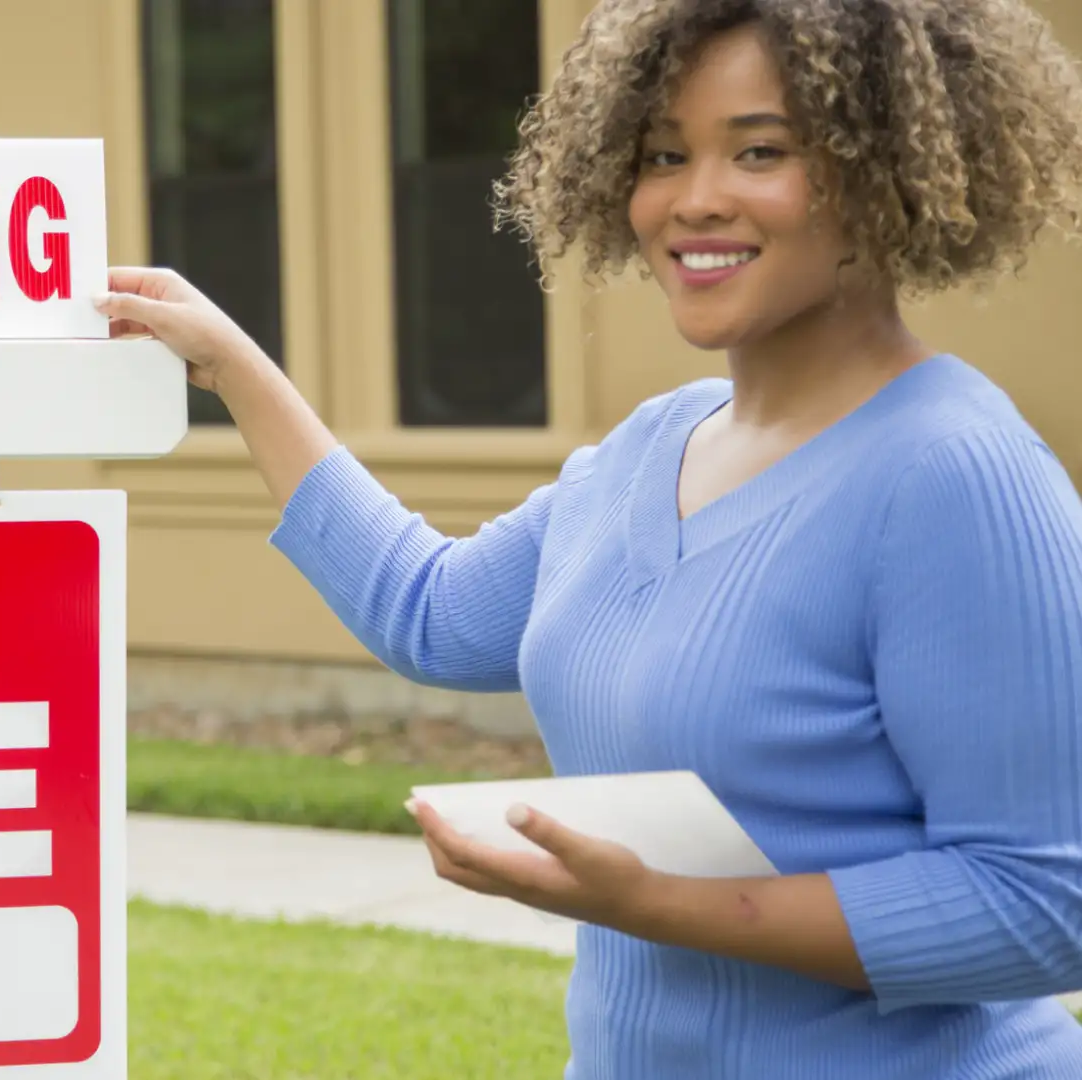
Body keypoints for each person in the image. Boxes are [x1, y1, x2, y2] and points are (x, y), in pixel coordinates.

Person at [95, 0, 1082, 1076]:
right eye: (662, 154)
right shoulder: (649, 447)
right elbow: (430, 614)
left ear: (881, 166)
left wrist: (664, 905)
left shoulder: (953, 475)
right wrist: (236, 366)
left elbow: (1042, 901)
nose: (693, 199)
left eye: (760, 151)